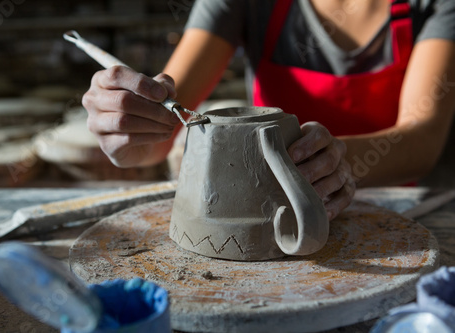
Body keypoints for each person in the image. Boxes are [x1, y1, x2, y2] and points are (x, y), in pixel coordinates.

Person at [82, 0, 455, 221]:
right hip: (267, 212)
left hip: (390, 212)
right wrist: (129, 128)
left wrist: (336, 163)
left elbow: (423, 138)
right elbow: (158, 134)